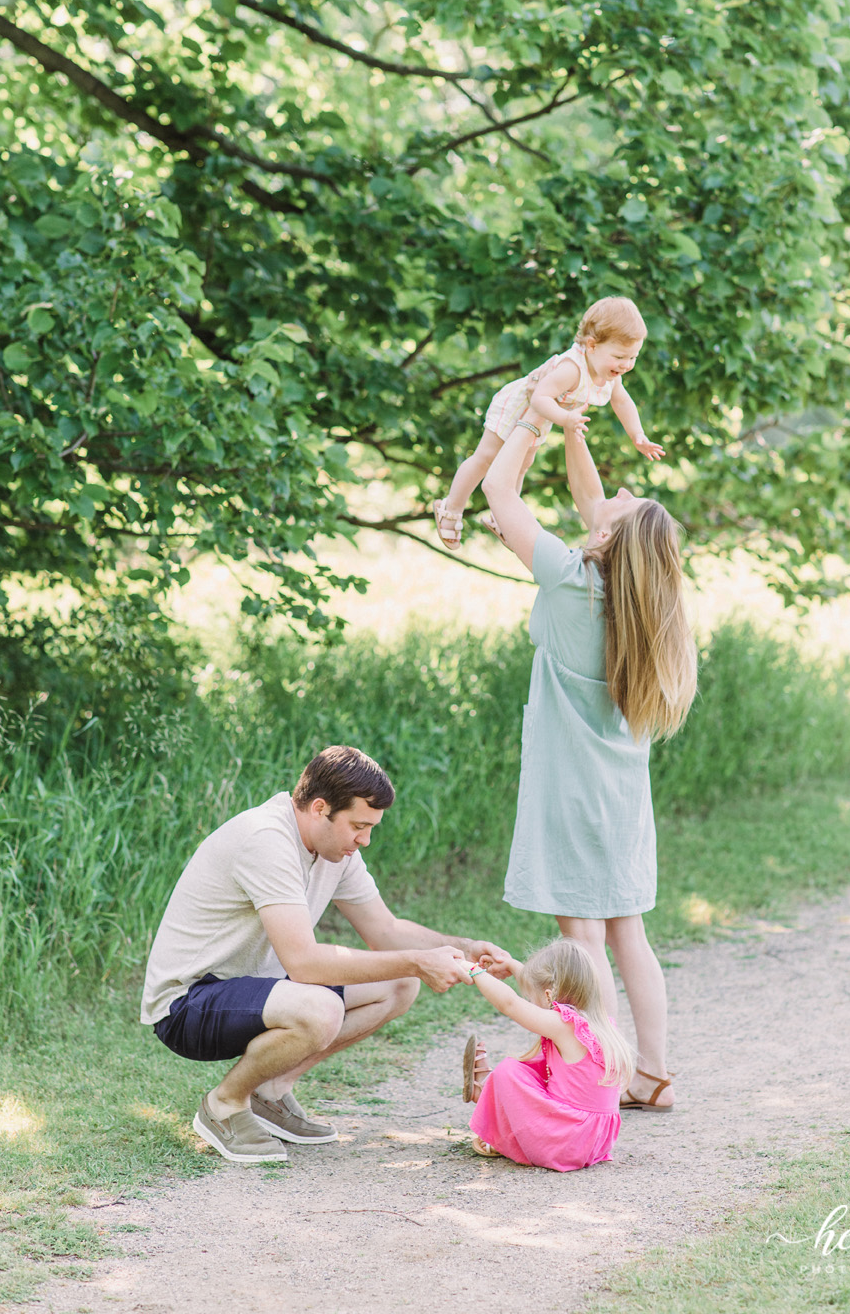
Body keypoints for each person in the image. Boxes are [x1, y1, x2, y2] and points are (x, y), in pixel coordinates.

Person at [141, 745, 509, 1164]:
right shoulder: (266, 839)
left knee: (399, 985)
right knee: (322, 1009)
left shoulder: (336, 850)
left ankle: (270, 1092)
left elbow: (385, 930)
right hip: (188, 1005)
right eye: (358, 825)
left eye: (371, 827)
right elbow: (305, 964)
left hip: (259, 991)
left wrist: (465, 949)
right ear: (319, 808)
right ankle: (224, 1106)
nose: (365, 840)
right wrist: (417, 960)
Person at [479, 403, 697, 1112]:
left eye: (622, 503)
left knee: (582, 940)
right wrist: (576, 432)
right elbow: (590, 501)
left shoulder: (572, 579)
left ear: (609, 537)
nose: (615, 493)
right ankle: (653, 1072)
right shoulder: (644, 607)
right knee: (628, 933)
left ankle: (596, 1071)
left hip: (571, 794)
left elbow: (498, 493)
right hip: (622, 798)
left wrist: (533, 419)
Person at [432, 297, 665, 550]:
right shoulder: (572, 369)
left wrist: (637, 434)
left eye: (633, 358)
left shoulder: (609, 375)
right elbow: (539, 396)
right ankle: (451, 507)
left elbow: (622, 401)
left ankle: (502, 516)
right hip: (518, 406)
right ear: (592, 345)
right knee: (486, 456)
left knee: (521, 465)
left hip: (544, 416)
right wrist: (566, 418)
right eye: (620, 356)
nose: (626, 365)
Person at [459, 938, 634, 1170]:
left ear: (550, 996)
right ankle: (488, 1095)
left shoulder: (564, 1025)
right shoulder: (597, 1024)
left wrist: (474, 971)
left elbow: (510, 1004)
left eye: (532, 999)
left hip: (564, 1143)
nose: (530, 1003)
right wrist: (511, 965)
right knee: (539, 1064)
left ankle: (497, 1119)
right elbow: (538, 987)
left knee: (510, 1071)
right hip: (592, 1142)